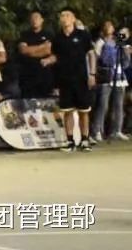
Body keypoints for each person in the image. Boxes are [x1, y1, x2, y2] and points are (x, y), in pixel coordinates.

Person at [51, 8, 95, 152]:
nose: (64, 18)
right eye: (62, 15)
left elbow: (91, 54)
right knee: (67, 110)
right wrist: (48, 61)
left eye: (67, 15)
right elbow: (56, 57)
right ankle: (70, 141)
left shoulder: (83, 35)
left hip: (81, 78)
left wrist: (92, 74)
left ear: (73, 19)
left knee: (83, 110)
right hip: (64, 79)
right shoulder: (57, 38)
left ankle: (85, 140)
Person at [91, 21, 129, 142]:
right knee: (103, 105)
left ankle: (117, 130)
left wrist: (124, 41)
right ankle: (97, 131)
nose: (109, 27)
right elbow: (96, 58)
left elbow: (125, 56)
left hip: (119, 76)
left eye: (111, 25)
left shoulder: (118, 39)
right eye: (106, 26)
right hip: (106, 76)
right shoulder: (100, 42)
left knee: (118, 105)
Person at [18, 10, 56, 98]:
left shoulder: (49, 35)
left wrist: (31, 51)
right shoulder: (24, 35)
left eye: (37, 18)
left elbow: (49, 51)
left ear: (42, 20)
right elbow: (23, 50)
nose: (34, 20)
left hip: (45, 75)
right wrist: (42, 46)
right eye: (32, 18)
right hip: (28, 75)